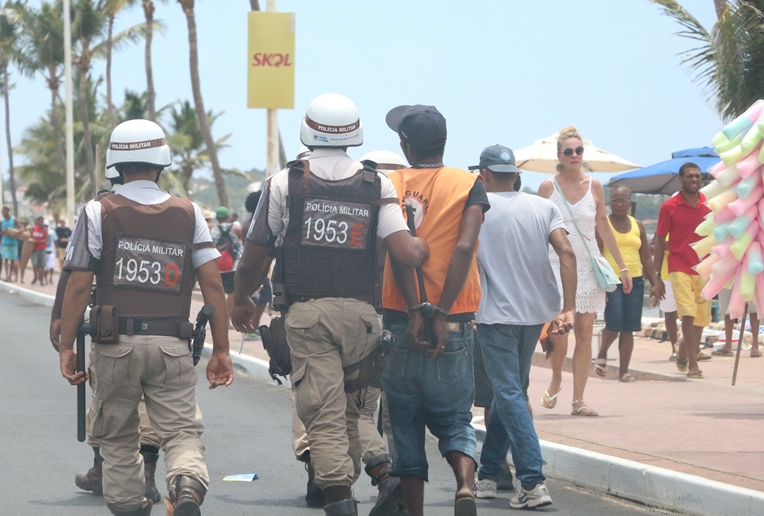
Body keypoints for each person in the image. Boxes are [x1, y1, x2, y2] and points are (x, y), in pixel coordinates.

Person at [231, 93, 428, 516]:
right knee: (356, 411)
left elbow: (254, 255)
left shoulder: (284, 182)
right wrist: (422, 254)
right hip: (363, 316)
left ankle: (339, 500)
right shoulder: (379, 184)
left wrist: (242, 300)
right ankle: (379, 473)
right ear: (354, 134)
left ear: (307, 130)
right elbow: (406, 255)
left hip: (309, 316)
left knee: (322, 415)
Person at [59, 119, 233, 516]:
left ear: (115, 166)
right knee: (181, 432)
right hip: (172, 345)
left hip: (114, 347)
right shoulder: (189, 213)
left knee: (118, 438)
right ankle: (187, 484)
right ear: (160, 163)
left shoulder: (97, 211)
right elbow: (212, 285)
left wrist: (67, 345)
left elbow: (77, 285)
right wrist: (221, 349)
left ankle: (130, 506)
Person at [379, 104, 489, 516]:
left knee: (404, 422)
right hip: (455, 319)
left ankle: (416, 511)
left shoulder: (389, 183)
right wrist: (441, 312)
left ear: (406, 145)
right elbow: (464, 247)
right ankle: (464, 487)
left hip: (399, 316)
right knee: (457, 419)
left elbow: (396, 248)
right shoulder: (470, 184)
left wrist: (414, 311)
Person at [469, 144, 576, 509]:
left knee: (510, 392)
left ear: (482, 176)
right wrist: (570, 308)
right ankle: (487, 475)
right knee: (509, 390)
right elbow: (567, 253)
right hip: (536, 314)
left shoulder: (476, 210)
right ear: (515, 175)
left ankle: (532, 479)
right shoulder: (543, 206)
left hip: (495, 315)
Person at [537, 126, 632, 417]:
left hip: (589, 268)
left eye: (579, 150)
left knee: (586, 333)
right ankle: (555, 379)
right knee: (559, 332)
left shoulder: (595, 186)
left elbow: (603, 226)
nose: (575, 155)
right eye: (569, 151)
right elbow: (538, 231)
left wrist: (623, 266)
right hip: (556, 266)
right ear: (559, 155)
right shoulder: (546, 188)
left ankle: (578, 400)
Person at [595, 186, 661, 382]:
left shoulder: (638, 225)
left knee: (629, 327)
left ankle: (624, 371)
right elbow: (597, 255)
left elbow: (647, 258)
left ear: (630, 203)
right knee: (614, 323)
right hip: (611, 281)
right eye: (615, 200)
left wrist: (655, 282)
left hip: (636, 280)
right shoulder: (602, 224)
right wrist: (598, 284)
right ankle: (602, 353)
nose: (619, 204)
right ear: (609, 204)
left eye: (623, 200)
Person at [654, 162, 712, 379]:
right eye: (689, 176)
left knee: (701, 320)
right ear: (681, 179)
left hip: (705, 267)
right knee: (687, 316)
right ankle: (693, 365)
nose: (694, 179)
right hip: (679, 266)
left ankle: (683, 348)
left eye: (697, 176)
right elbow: (659, 241)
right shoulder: (669, 206)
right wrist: (658, 276)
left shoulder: (710, 204)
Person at [239, 190, 271, 332]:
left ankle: (253, 328)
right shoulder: (257, 225)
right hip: (258, 270)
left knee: (260, 300)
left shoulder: (247, 223)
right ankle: (252, 329)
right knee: (258, 301)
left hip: (255, 270)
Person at [210, 206, 242, 322]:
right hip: (233, 266)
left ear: (217, 219)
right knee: (232, 293)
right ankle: (229, 320)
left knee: (220, 294)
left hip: (219, 266)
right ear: (228, 217)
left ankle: (221, 320)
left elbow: (211, 247)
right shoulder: (236, 229)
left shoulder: (214, 231)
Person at [716, 287, 761, 357]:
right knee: (728, 305)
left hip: (752, 276)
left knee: (754, 306)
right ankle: (728, 345)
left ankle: (755, 344)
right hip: (728, 276)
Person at [0, 206, 22, 282]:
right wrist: (5, 232)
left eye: (3, 212)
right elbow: (0, 232)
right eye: (1, 212)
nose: (2, 213)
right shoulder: (2, 221)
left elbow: (22, 228)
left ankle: (10, 275)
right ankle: (7, 276)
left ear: (7, 211)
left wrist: (15, 232)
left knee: (12, 260)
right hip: (5, 242)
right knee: (5, 260)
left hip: (13, 243)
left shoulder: (14, 220)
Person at [30, 216, 48, 286]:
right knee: (35, 264)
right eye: (40, 221)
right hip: (34, 249)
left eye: (42, 222)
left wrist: (39, 241)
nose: (41, 223)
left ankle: (41, 280)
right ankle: (35, 277)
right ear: (37, 222)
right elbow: (30, 237)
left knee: (42, 266)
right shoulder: (33, 229)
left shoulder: (44, 230)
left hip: (42, 249)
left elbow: (46, 239)